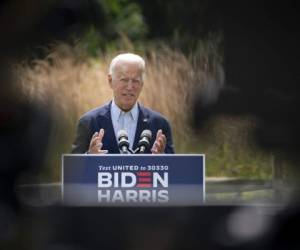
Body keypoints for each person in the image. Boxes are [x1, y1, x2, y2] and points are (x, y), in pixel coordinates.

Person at [71, 53, 175, 154]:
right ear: (110, 81)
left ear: (142, 84)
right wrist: (89, 157)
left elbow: (174, 169)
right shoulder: (89, 122)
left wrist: (163, 159)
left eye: (135, 81)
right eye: (124, 80)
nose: (130, 87)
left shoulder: (159, 124)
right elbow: (73, 168)